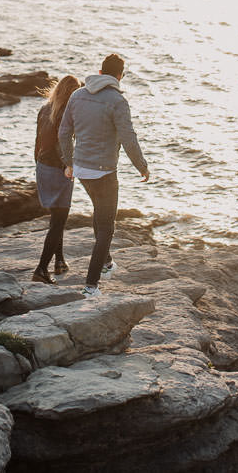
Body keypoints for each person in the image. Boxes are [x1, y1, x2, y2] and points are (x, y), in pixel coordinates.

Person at [59, 52, 150, 296]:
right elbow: (128, 138)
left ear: (100, 73)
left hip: (82, 169)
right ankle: (91, 285)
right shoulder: (117, 101)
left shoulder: (77, 95)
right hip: (104, 173)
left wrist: (69, 162)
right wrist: (141, 165)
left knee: (99, 214)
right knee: (106, 226)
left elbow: (63, 132)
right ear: (120, 76)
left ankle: (107, 263)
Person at [30, 74, 80, 284]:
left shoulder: (45, 108)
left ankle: (59, 261)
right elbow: (64, 145)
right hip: (59, 169)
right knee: (59, 222)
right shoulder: (67, 112)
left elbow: (38, 141)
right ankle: (41, 269)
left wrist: (39, 166)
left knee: (56, 217)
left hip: (42, 166)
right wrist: (70, 166)